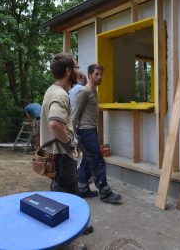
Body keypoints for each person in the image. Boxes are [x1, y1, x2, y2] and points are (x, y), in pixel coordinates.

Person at [40, 53, 90, 250]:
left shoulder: (52, 89)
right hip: (61, 155)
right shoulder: (61, 95)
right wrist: (70, 142)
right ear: (68, 71)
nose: (79, 70)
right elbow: (54, 123)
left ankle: (78, 226)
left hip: (56, 154)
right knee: (64, 198)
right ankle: (69, 243)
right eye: (76, 67)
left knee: (70, 193)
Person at [72, 64, 122, 204]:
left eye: (101, 74)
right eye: (96, 74)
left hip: (90, 130)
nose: (99, 77)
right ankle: (105, 192)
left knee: (88, 161)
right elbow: (74, 115)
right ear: (89, 75)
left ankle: (82, 188)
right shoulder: (84, 92)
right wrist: (74, 135)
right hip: (85, 132)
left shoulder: (93, 91)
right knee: (98, 161)